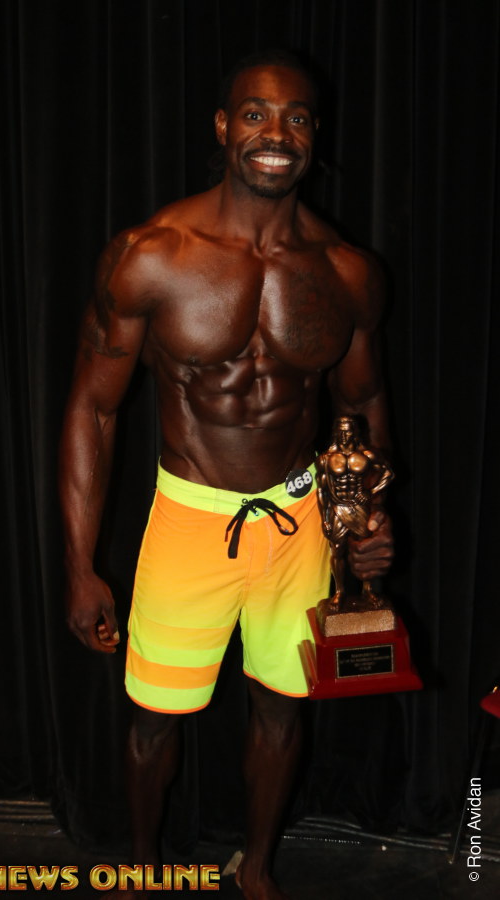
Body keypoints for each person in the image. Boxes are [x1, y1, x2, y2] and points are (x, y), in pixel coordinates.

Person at [59, 49, 394, 900]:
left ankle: (258, 871)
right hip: (190, 520)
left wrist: (364, 517)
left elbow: (362, 406)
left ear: (315, 135)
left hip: (299, 524)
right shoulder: (152, 255)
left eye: (297, 118)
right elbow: (93, 410)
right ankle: (144, 868)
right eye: (255, 114)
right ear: (222, 127)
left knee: (283, 708)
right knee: (153, 720)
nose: (276, 134)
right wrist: (80, 564)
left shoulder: (346, 272)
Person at [316, 416, 394, 608]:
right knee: (337, 550)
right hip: (337, 506)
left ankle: (368, 590)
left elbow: (388, 474)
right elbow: (321, 490)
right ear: (336, 433)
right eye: (341, 432)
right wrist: (325, 518)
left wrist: (371, 492)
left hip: (359, 507)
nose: (344, 436)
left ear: (355, 432)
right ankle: (339, 591)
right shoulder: (326, 458)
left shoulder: (366, 455)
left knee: (364, 547)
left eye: (348, 431)